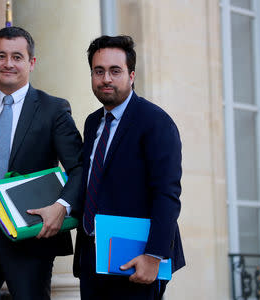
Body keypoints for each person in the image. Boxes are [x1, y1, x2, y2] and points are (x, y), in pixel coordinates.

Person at [0, 26, 83, 300]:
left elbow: (79, 168)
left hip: (30, 233)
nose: (8, 63)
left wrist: (61, 207)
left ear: (31, 63)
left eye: (17, 57)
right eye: (1, 56)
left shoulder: (53, 110)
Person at [73, 35, 185, 300]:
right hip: (93, 261)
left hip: (138, 261)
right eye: (98, 71)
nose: (106, 79)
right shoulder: (92, 123)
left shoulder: (155, 122)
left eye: (115, 71)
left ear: (131, 75)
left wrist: (153, 255)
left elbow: (167, 194)